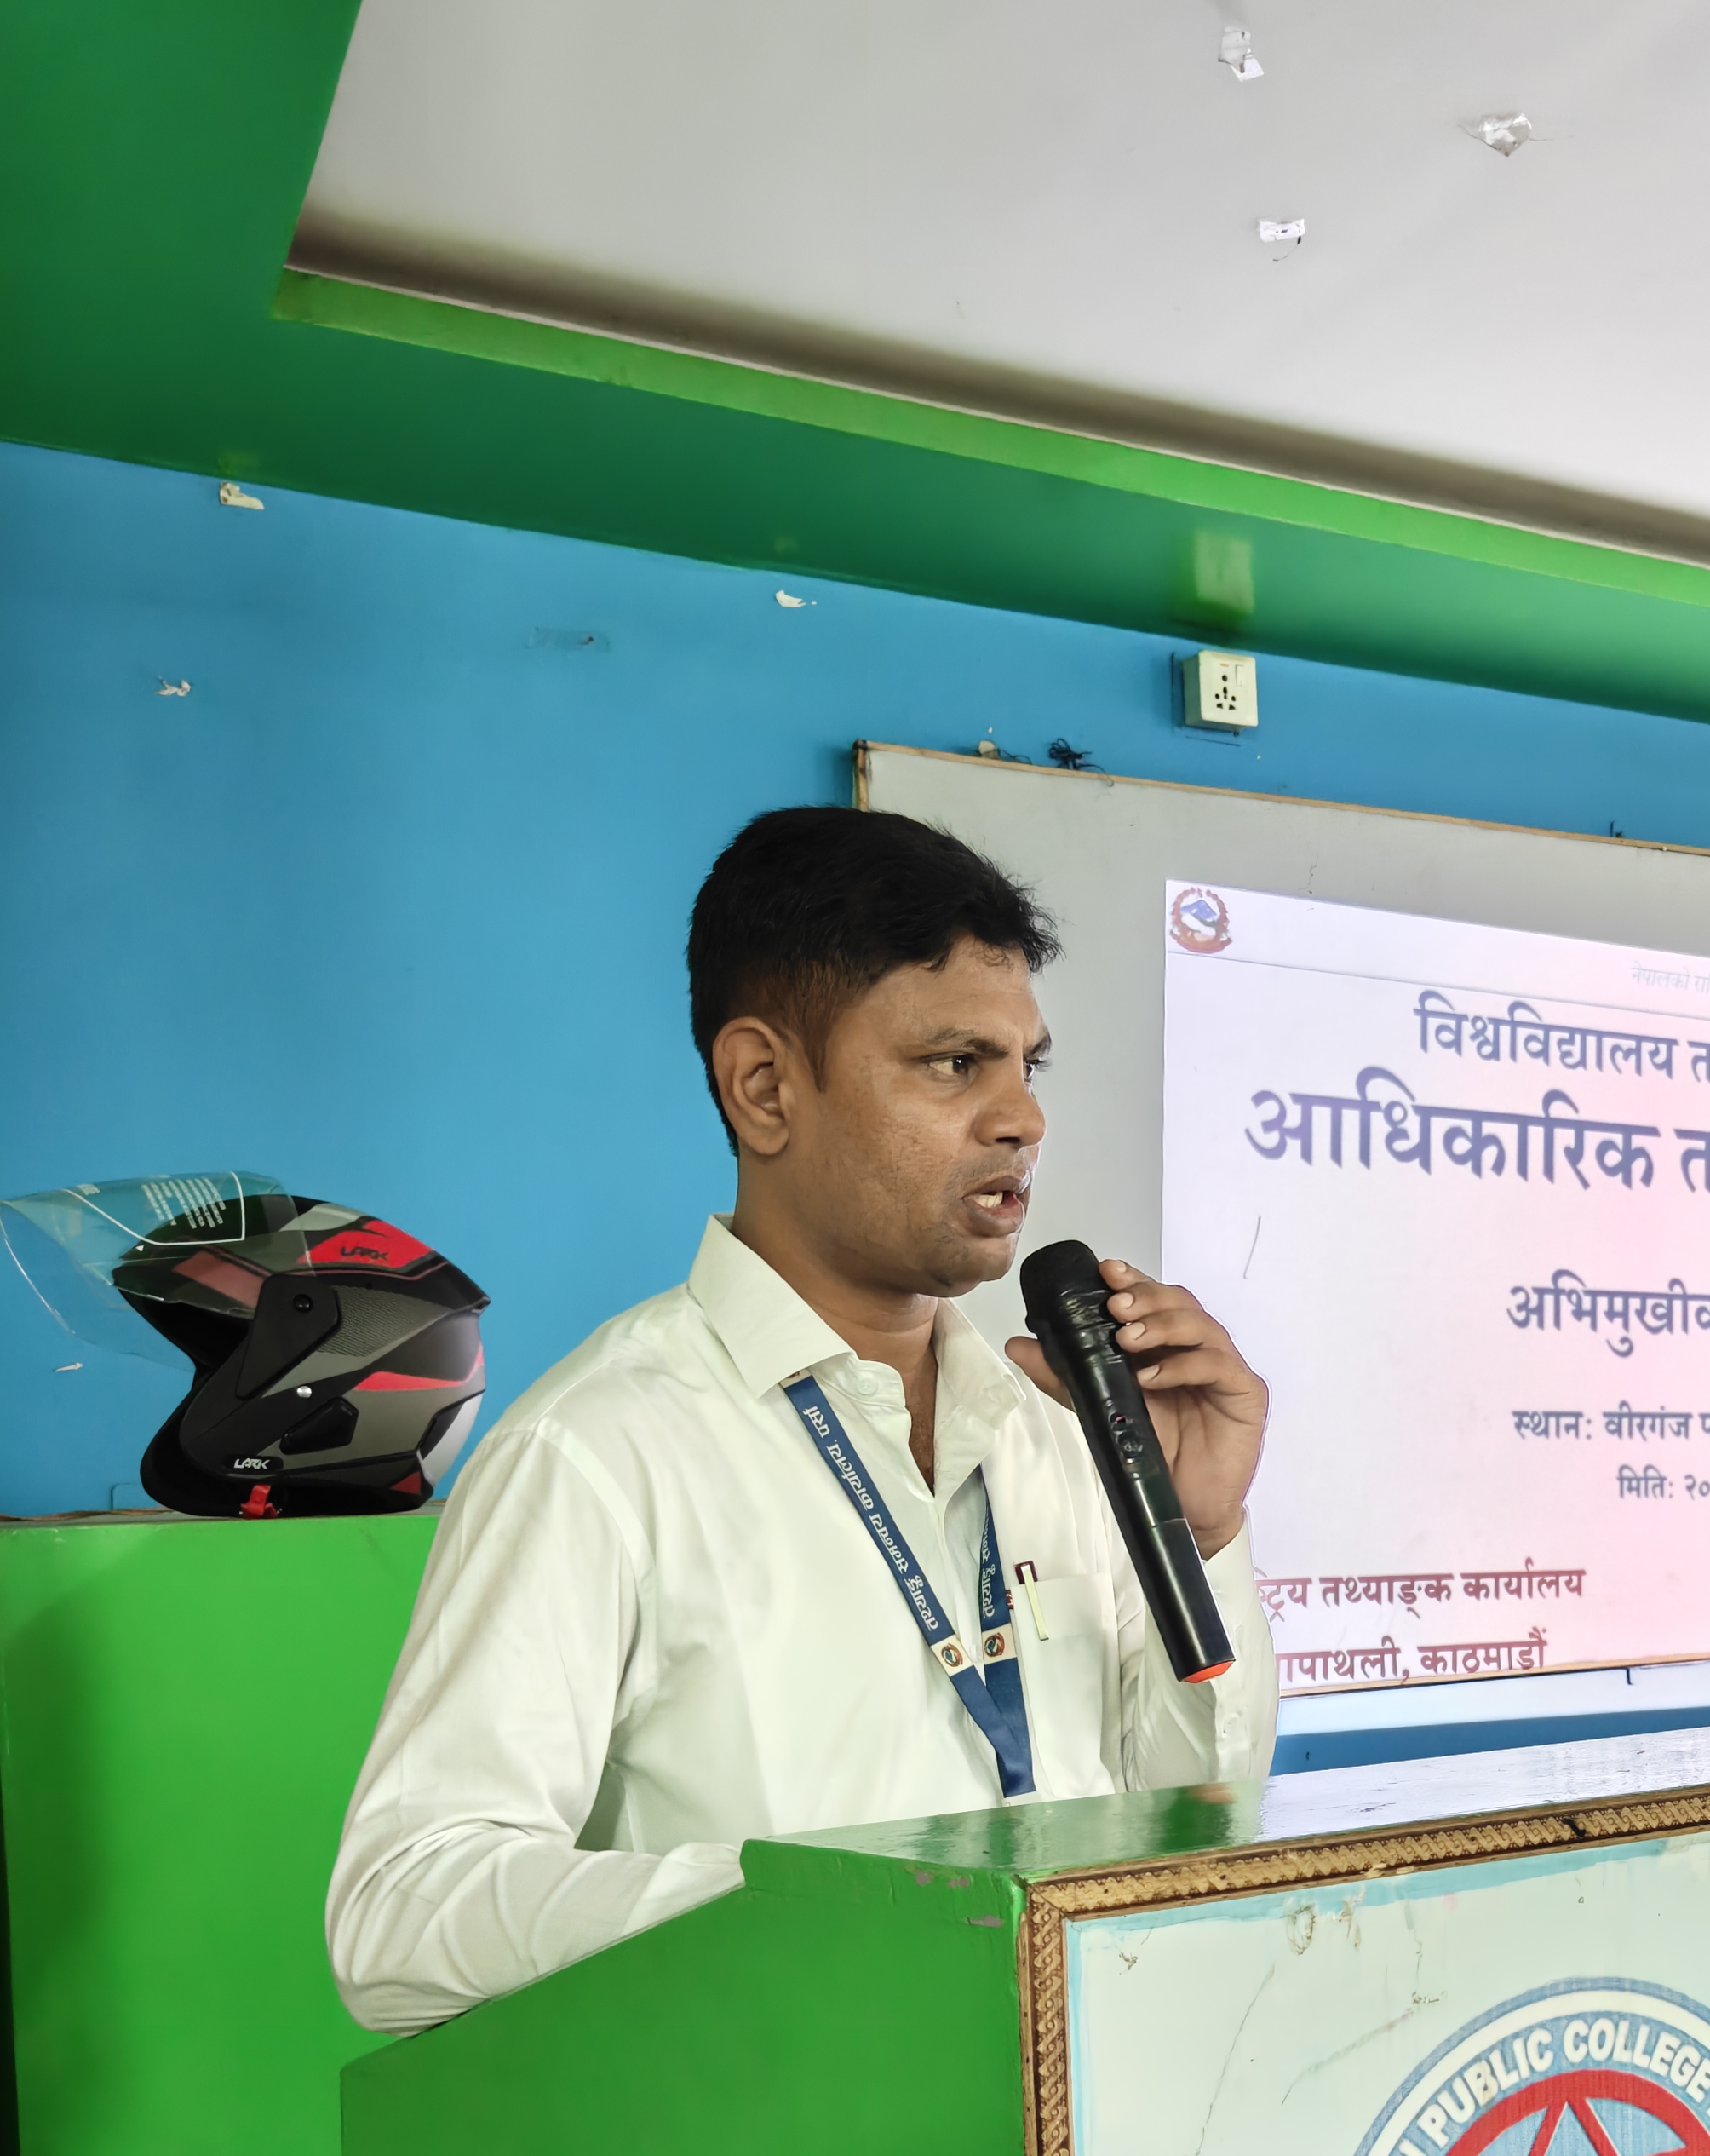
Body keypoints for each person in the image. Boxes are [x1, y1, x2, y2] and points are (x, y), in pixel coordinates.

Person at [327, 806, 1277, 2031]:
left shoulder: (1057, 1430)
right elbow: (403, 1911)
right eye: (954, 1063)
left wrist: (1195, 1538)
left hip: (1065, 2112)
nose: (1022, 1119)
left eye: (1026, 1066)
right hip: (792, 2126)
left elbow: (1187, 1825)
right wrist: (814, 1907)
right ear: (765, 1088)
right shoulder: (601, 1450)